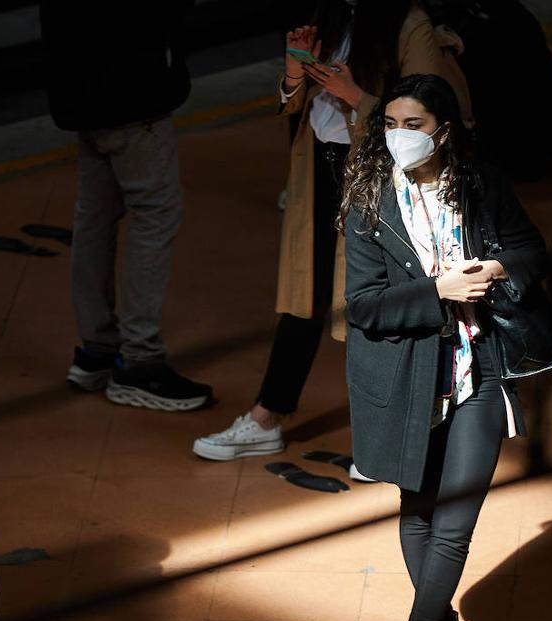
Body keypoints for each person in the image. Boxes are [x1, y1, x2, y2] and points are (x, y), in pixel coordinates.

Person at [341, 74, 552, 621]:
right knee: (420, 510)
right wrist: (438, 292)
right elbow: (364, 307)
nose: (399, 137)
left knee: (454, 523)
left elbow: (530, 250)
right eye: (391, 125)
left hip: (476, 369)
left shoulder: (480, 182)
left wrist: (492, 270)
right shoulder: (370, 201)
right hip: (406, 378)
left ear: (445, 129)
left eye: (414, 125)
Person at [193, 0, 472, 461]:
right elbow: (296, 106)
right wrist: (294, 73)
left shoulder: (408, 23)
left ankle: (390, 433)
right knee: (306, 294)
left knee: (379, 301)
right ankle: (267, 415)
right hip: (322, 171)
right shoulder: (331, 13)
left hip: (378, 176)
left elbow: (431, 110)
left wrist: (355, 96)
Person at [40, 0, 213, 411]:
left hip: (80, 96)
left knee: (95, 218)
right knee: (154, 216)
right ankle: (140, 360)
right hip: (135, 96)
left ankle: (97, 349)